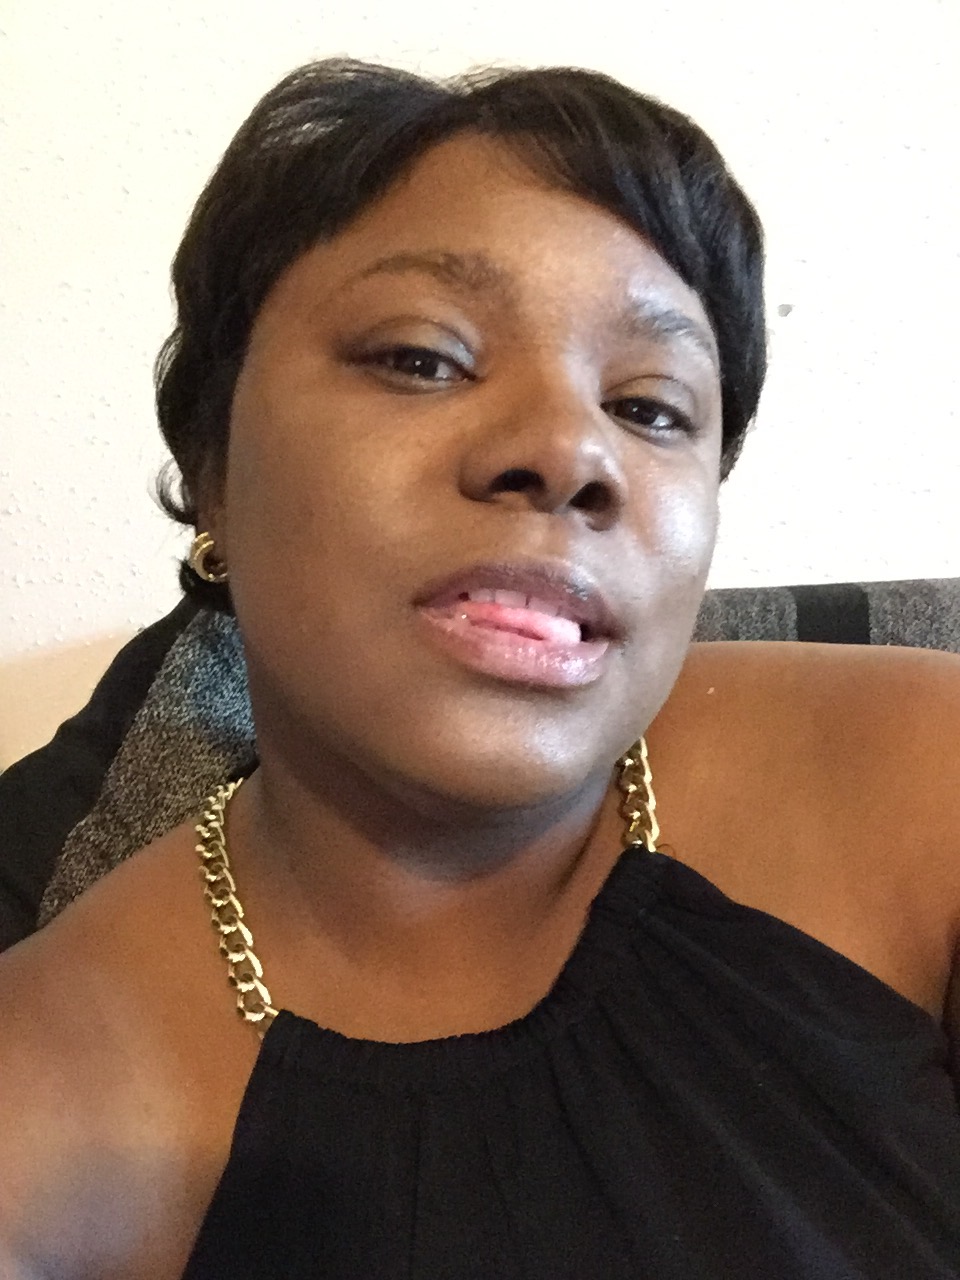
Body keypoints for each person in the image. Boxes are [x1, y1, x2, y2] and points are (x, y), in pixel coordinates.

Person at [0, 55, 958, 1280]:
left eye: (652, 407)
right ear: (212, 467)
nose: (569, 450)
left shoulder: (927, 780)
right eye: (422, 356)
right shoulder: (40, 1109)